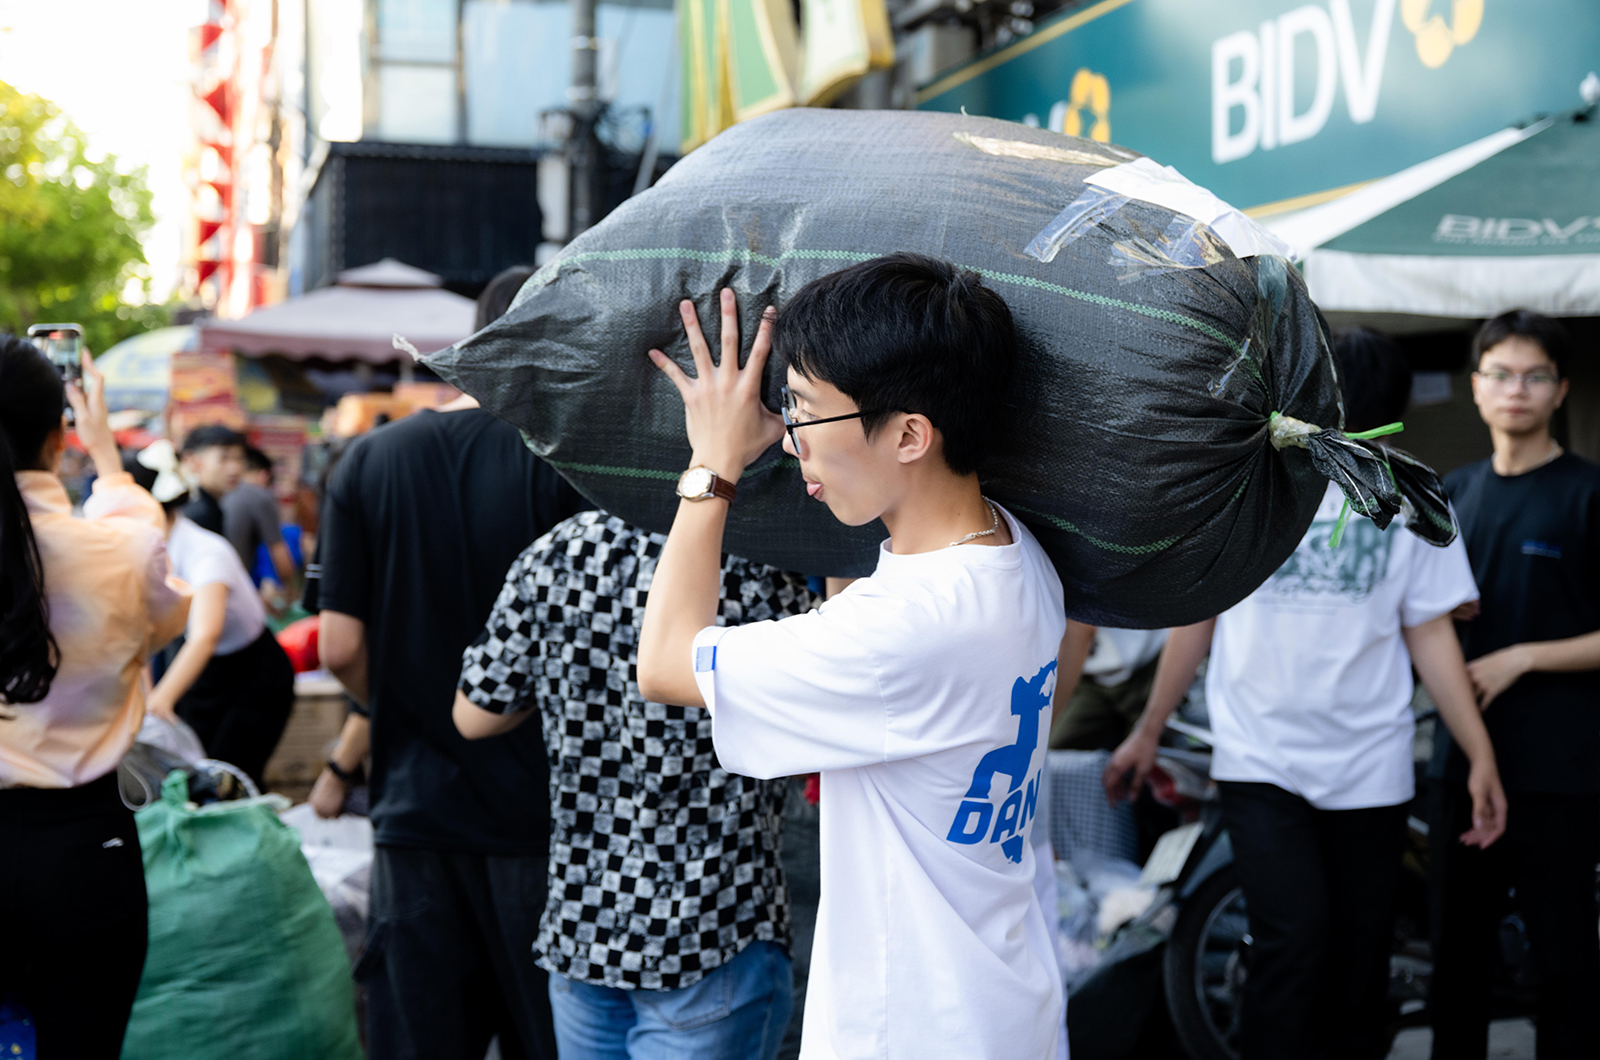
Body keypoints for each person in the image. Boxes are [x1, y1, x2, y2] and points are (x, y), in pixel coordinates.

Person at [636, 254, 1068, 1058]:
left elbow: (663, 662)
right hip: (1004, 1006)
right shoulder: (1013, 548)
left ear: (909, 434)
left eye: (803, 413)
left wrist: (713, 463)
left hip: (911, 1030)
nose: (790, 437)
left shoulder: (898, 631)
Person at [1102, 327, 1508, 1060]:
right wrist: (1148, 729)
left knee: (1359, 958)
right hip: (1263, 761)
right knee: (1293, 940)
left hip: (1371, 769)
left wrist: (1479, 755)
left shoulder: (1410, 493)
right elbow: (1200, 618)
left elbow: (1431, 635)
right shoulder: (1253, 484)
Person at [313, 264, 585, 1060]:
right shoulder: (571, 467)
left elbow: (339, 647)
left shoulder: (367, 461)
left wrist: (412, 701)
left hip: (412, 813)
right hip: (544, 824)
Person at [453, 511, 815, 1060]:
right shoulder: (757, 563)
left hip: (584, 927)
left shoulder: (559, 551)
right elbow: (820, 726)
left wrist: (577, 679)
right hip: (713, 925)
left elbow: (475, 714)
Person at [0, 340, 191, 1056]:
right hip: (81, 852)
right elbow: (166, 605)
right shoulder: (121, 552)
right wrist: (108, 459)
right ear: (59, 437)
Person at [1429, 310, 1600, 1060]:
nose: (1516, 390)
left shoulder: (1588, 494)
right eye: (1500, 374)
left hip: (1559, 769)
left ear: (1561, 390)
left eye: (1534, 376)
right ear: (1475, 387)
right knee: (1455, 963)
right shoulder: (1450, 497)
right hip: (1458, 764)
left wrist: (1522, 657)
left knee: (1565, 963)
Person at [130, 442, 295, 789]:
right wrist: (146, 697)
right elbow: (141, 630)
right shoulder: (146, 551)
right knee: (190, 779)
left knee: (231, 780)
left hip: (254, 676)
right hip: (207, 677)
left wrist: (161, 699)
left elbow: (205, 635)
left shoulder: (206, 552)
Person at [1049, 622, 1168, 750]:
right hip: (1094, 674)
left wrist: (1149, 733)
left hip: (1154, 669)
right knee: (1058, 747)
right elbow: (1076, 633)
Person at [222, 445, 296, 588]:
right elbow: (280, 555)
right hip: (235, 586)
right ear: (264, 475)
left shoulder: (220, 493)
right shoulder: (260, 496)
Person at [178, 424, 247, 534]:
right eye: (223, 458)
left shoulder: (205, 505)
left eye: (239, 458)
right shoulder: (199, 513)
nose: (235, 469)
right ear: (193, 462)